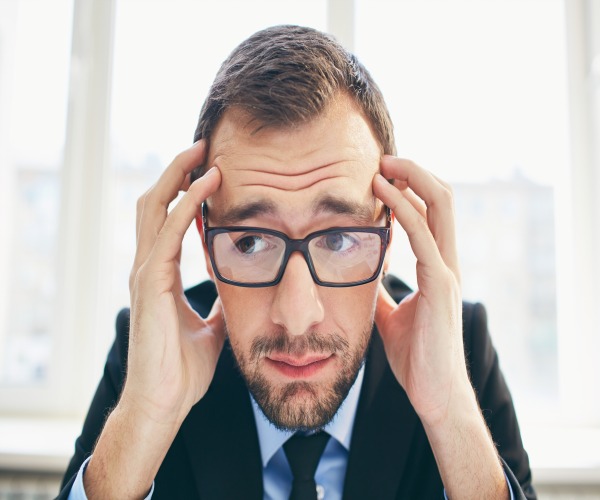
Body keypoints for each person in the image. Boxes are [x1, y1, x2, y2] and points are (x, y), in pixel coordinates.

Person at [58, 25, 536, 500]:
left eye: (341, 239)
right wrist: (146, 414)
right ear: (204, 244)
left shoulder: (459, 345)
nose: (297, 314)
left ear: (390, 236)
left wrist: (450, 411)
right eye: (249, 243)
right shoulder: (150, 350)